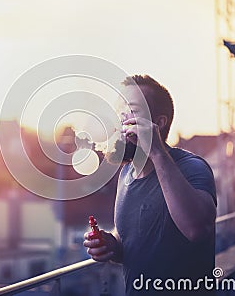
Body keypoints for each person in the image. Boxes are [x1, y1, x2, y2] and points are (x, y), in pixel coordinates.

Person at [83, 75, 217, 295]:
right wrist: (111, 244)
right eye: (120, 112)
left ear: (159, 123)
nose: (122, 120)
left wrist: (156, 151)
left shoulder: (192, 167)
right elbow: (132, 239)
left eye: (132, 111)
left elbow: (197, 229)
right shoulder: (126, 173)